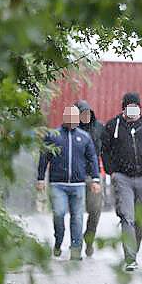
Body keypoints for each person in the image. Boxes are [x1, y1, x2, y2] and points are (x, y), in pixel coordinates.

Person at [101, 92, 142, 271]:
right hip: (123, 178)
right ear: (124, 108)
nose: (133, 110)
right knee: (128, 217)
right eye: (129, 107)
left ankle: (134, 250)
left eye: (136, 106)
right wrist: (112, 172)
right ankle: (130, 258)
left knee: (140, 220)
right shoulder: (114, 125)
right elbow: (105, 150)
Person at [36, 104, 101, 260]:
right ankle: (58, 240)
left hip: (78, 184)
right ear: (64, 117)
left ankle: (76, 249)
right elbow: (44, 158)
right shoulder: (53, 135)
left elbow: (92, 159)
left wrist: (95, 179)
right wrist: (40, 178)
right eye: (69, 116)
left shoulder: (84, 138)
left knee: (77, 217)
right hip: (58, 184)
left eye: (75, 117)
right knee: (58, 213)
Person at [76, 99, 104, 256]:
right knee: (77, 212)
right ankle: (77, 244)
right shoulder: (71, 129)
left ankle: (89, 238)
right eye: (82, 113)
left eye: (87, 113)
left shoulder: (99, 128)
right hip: (76, 177)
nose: (85, 116)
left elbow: (108, 148)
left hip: (93, 176)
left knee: (95, 210)